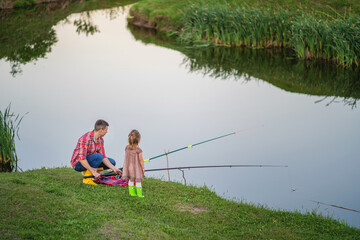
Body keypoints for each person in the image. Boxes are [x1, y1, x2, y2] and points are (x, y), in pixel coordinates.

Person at [71, 119, 121, 185]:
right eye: (106, 130)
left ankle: (96, 176)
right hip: (78, 164)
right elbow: (82, 159)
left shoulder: (101, 140)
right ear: (101, 130)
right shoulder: (85, 138)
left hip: (89, 160)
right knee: (98, 156)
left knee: (112, 162)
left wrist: (114, 169)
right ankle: (87, 179)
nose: (107, 132)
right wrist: (93, 172)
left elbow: (103, 157)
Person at [122, 129, 145, 198]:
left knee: (131, 180)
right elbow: (141, 160)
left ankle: (132, 193)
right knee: (138, 181)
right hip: (136, 169)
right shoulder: (138, 150)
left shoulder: (126, 148)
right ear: (138, 140)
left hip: (128, 168)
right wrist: (143, 168)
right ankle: (139, 194)